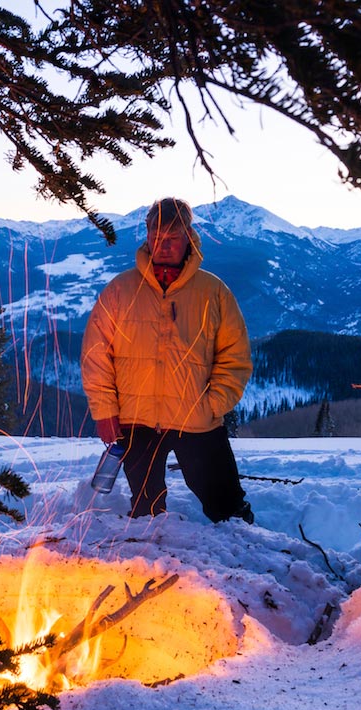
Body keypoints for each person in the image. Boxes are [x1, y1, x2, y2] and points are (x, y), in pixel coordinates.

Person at [81, 197, 254, 523]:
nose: (163, 245)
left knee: (229, 508)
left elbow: (236, 357)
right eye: (156, 237)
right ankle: (147, 569)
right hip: (136, 422)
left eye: (172, 238)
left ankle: (252, 561)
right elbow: (96, 354)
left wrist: (213, 405)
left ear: (189, 237)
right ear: (147, 236)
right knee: (146, 511)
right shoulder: (120, 291)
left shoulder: (213, 292)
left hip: (197, 421)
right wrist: (105, 411)